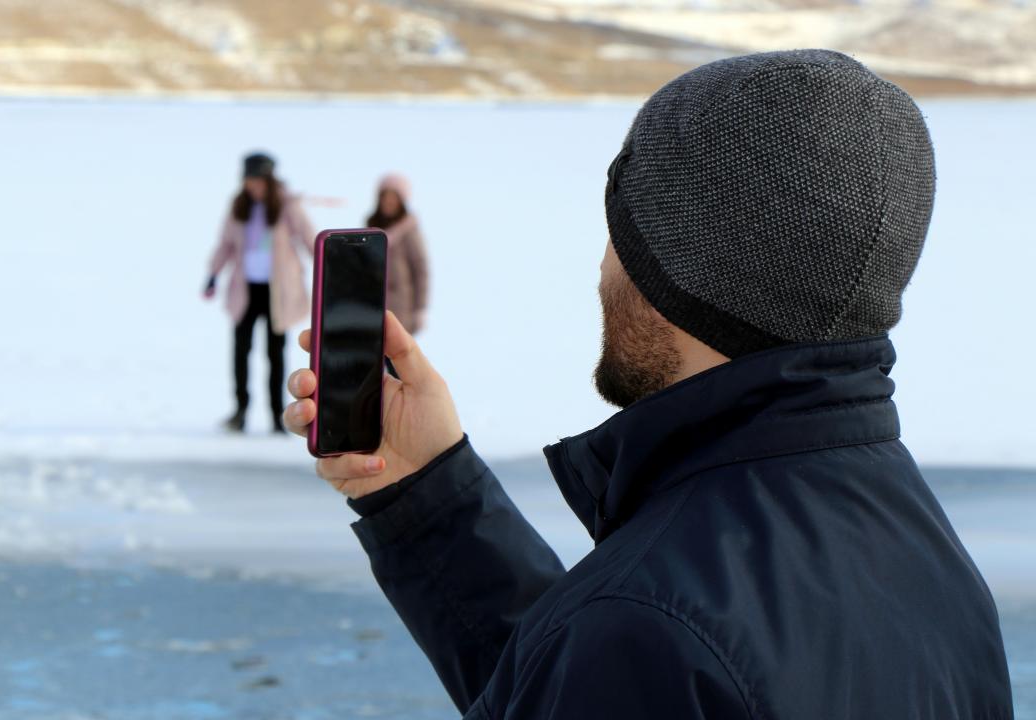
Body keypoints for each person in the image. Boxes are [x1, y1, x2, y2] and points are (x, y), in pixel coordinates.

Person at [282, 51, 1014, 718]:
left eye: (623, 232)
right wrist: (428, 494)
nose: (604, 266)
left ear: (682, 272)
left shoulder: (646, 628)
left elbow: (627, 656)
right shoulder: (928, 564)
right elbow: (587, 676)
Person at [205, 152, 314, 434]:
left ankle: (277, 415)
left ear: (268, 180)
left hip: (278, 293)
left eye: (258, 181)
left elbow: (308, 238)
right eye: (249, 181)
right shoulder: (239, 206)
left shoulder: (287, 205)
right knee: (241, 351)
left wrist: (329, 264)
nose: (253, 186)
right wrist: (213, 273)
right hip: (246, 291)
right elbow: (225, 243)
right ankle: (240, 410)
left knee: (275, 354)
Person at [366, 173, 429, 336]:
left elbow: (420, 270)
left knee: (397, 345)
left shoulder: (409, 230)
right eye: (385, 196)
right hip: (373, 303)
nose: (389, 201)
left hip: (401, 306)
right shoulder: (371, 227)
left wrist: (420, 308)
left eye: (393, 197)